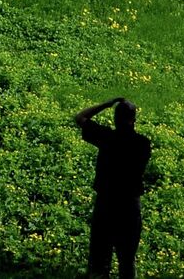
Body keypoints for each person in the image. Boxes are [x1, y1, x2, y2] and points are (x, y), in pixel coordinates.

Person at [74, 96, 151, 279]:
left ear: (115, 119)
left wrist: (106, 104)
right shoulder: (143, 143)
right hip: (130, 206)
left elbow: (80, 117)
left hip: (106, 205)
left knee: (99, 262)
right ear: (134, 119)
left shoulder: (107, 137)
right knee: (127, 261)